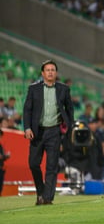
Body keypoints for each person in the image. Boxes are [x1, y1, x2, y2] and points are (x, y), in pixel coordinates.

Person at [23, 60, 74, 205]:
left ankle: (47, 198)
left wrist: (68, 128)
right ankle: (41, 191)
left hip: (54, 131)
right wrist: (27, 128)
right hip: (37, 132)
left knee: (52, 166)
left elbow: (70, 109)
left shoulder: (64, 89)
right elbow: (27, 110)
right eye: (48, 70)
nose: (50, 72)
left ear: (56, 73)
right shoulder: (33, 89)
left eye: (53, 70)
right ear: (42, 73)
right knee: (33, 163)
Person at [0, 129, 10, 196]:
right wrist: (5, 156)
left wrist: (5, 156)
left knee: (0, 185)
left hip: (1, 167)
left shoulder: (1, 146)